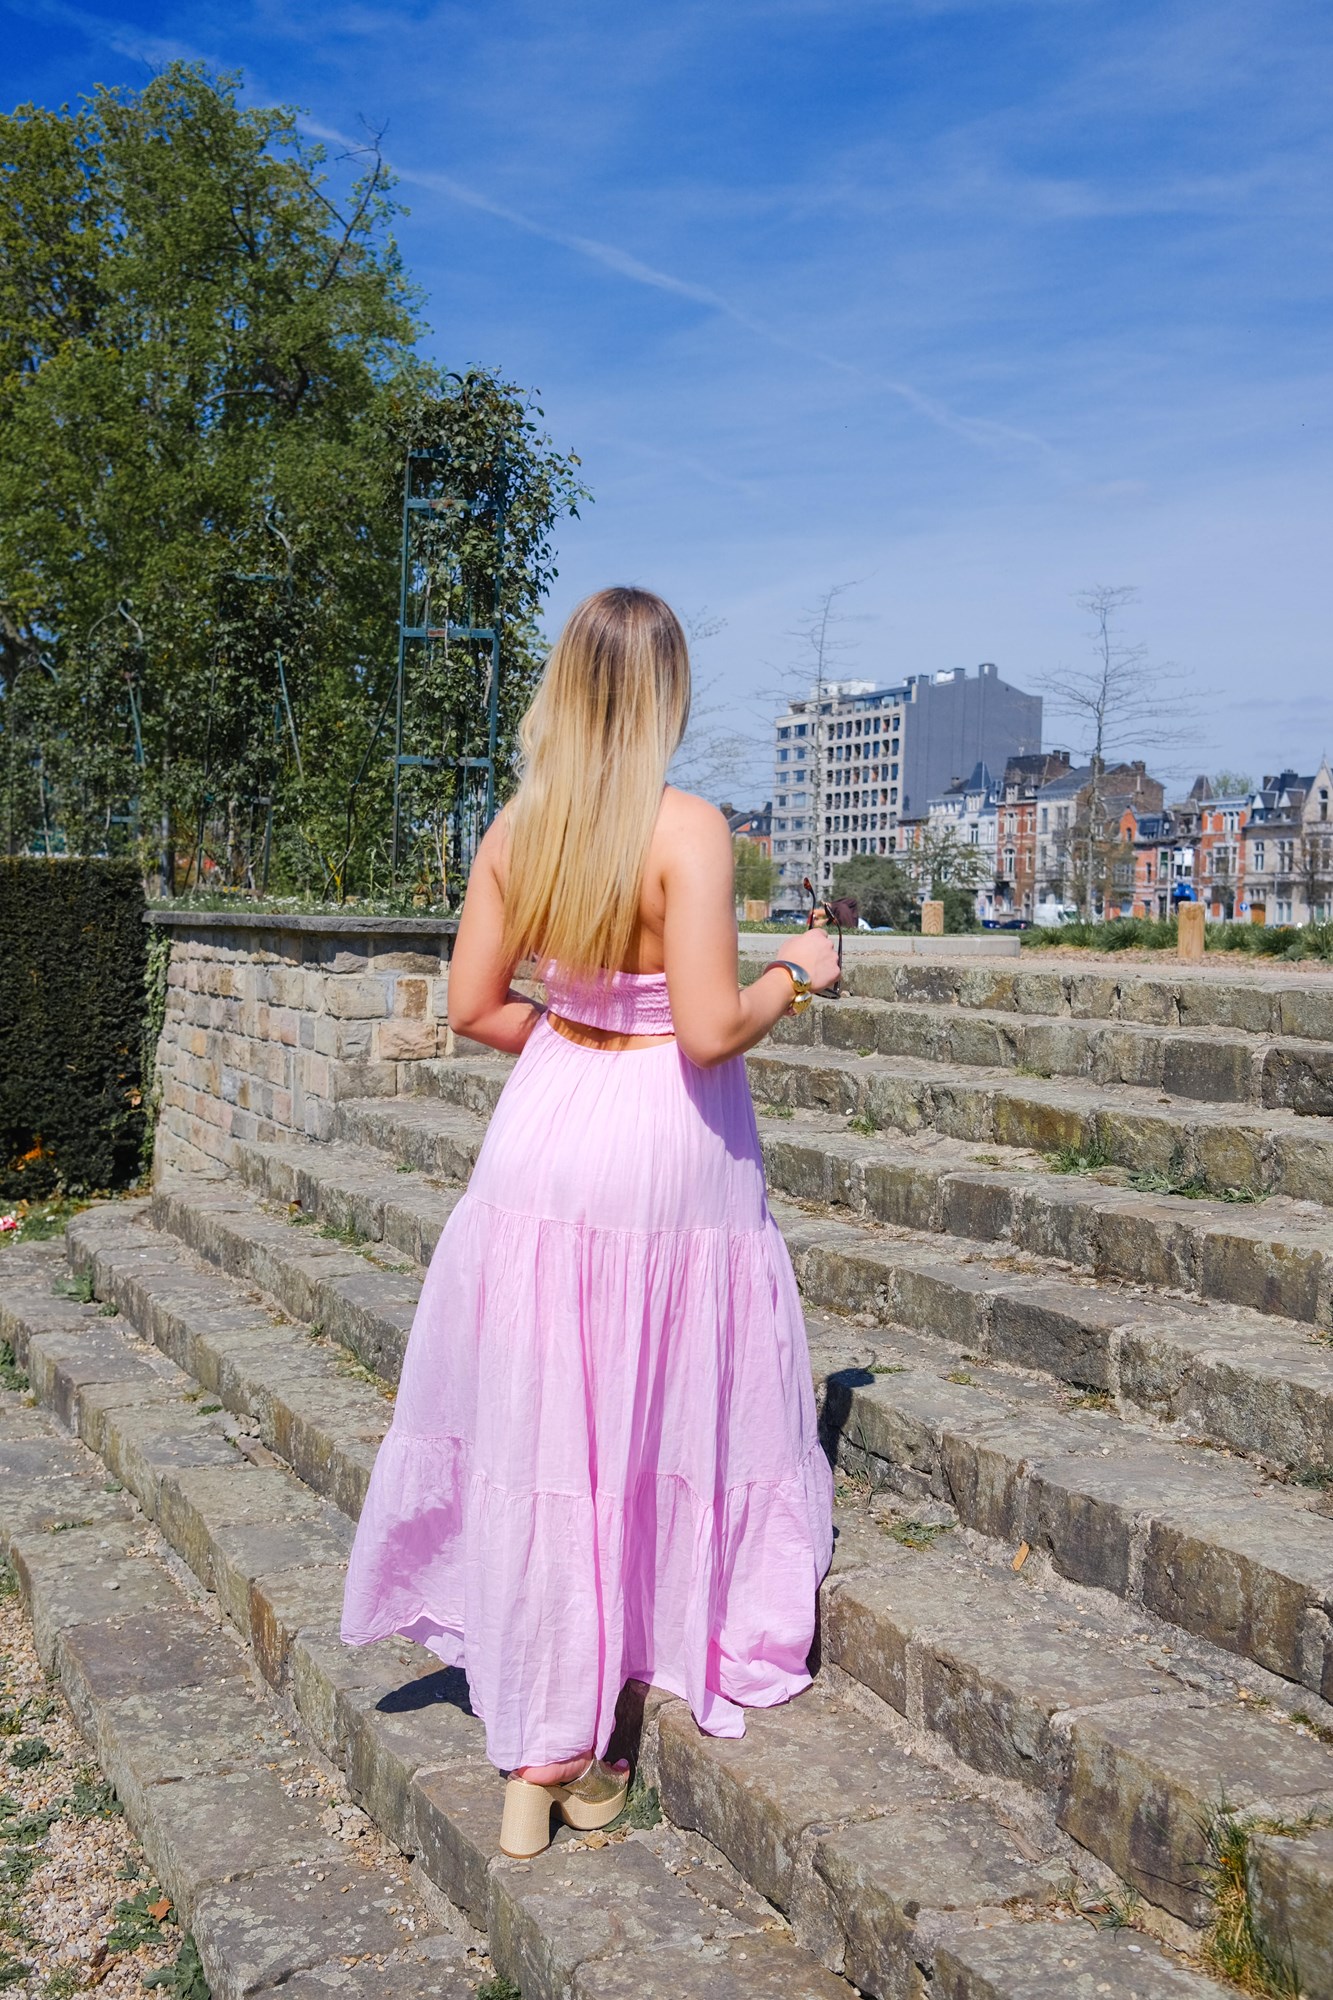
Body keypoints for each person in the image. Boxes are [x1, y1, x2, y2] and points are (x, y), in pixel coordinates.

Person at [341, 586, 839, 1860]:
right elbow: (713, 1026)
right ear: (667, 692)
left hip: (543, 1129)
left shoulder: (519, 829)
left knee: (550, 1422)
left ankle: (537, 1749)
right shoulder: (688, 827)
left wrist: (579, 1041)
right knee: (645, 1402)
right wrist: (797, 971)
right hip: (667, 1140)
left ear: (564, 685)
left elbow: (472, 1005)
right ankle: (575, 1736)